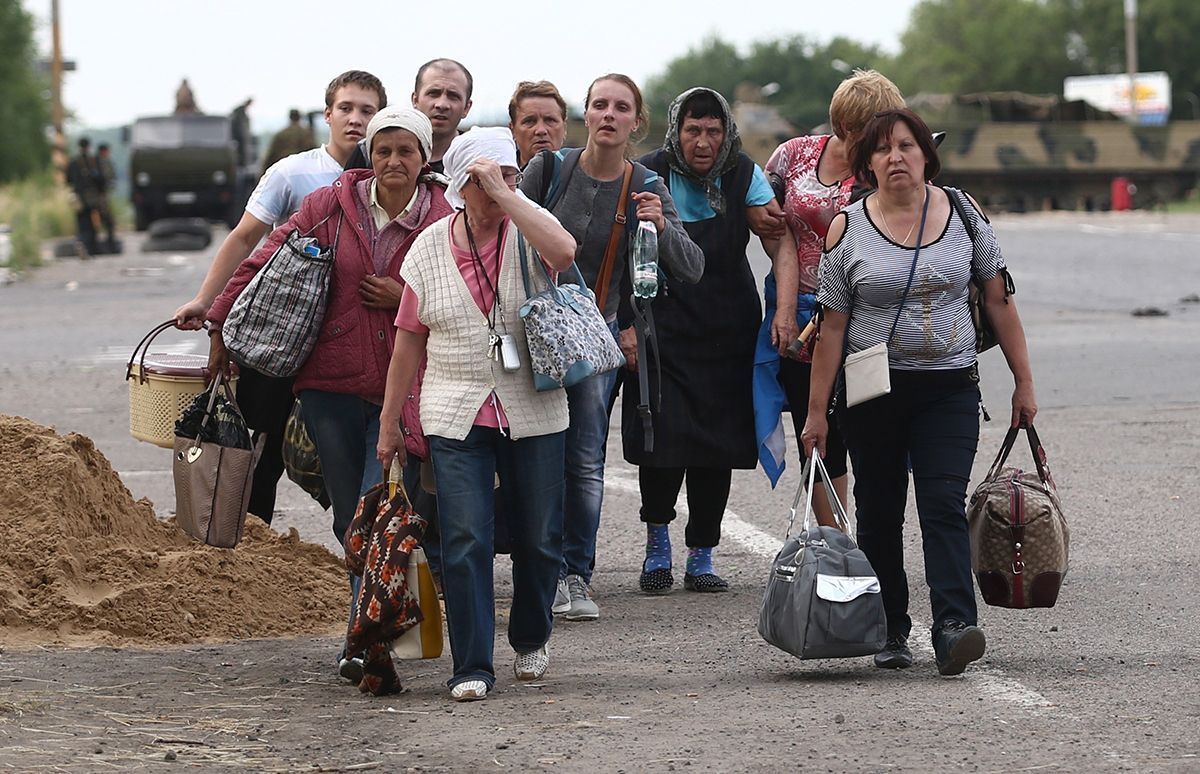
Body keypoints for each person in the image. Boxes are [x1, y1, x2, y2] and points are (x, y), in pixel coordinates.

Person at [206, 106, 451, 684]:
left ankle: (367, 646)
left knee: (378, 510)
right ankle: (371, 641)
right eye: (383, 150)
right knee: (351, 521)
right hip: (329, 388)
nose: (394, 161)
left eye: (406, 151)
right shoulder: (329, 208)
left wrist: (403, 298)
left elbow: (470, 297)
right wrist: (220, 323)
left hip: (405, 390)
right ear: (370, 154)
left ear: (424, 158)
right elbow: (260, 262)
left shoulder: (445, 218)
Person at [801, 108, 1037, 676]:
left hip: (949, 388)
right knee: (879, 511)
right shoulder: (847, 226)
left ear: (925, 155)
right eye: (882, 150)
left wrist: (1024, 383)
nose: (896, 157)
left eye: (907, 146)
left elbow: (999, 300)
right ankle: (890, 628)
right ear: (867, 163)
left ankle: (954, 624)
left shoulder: (964, 214)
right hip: (872, 391)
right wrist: (815, 415)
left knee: (941, 505)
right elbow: (832, 327)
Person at [376, 127, 577, 702]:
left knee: (541, 538)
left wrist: (511, 195)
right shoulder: (430, 246)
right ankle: (472, 664)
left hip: (533, 407)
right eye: (489, 179)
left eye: (510, 174)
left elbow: (564, 253)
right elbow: (408, 341)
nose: (502, 185)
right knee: (465, 538)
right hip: (454, 411)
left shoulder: (527, 227)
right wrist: (391, 423)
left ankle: (532, 632)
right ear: (462, 185)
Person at [519, 73, 704, 621]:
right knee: (532, 458)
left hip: (594, 345)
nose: (608, 115)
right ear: (587, 114)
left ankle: (575, 576)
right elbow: (506, 239)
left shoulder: (646, 182)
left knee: (583, 463)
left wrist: (661, 228)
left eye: (620, 108)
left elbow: (692, 267)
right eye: (598, 104)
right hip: (531, 336)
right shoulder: (548, 170)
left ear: (635, 122)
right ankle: (537, 570)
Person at [174, 70, 386, 526]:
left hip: (348, 343)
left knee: (347, 466)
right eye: (346, 108)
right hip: (281, 337)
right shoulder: (293, 172)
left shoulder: (391, 176)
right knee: (258, 457)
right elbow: (245, 238)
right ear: (327, 114)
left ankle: (361, 572)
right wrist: (206, 302)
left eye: (367, 111)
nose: (355, 119)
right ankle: (251, 558)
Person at [624, 87, 786, 593]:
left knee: (715, 446)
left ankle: (702, 553)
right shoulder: (648, 172)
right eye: (693, 129)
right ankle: (657, 546)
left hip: (727, 327)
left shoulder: (743, 173)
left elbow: (778, 237)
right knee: (661, 442)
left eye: (713, 130)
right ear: (677, 130)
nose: (703, 141)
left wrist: (784, 308)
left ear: (726, 134)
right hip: (662, 326)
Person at [756, 69, 906, 524]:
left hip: (865, 320)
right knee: (815, 430)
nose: (877, 139)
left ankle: (876, 538)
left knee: (872, 432)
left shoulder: (887, 173)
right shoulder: (792, 156)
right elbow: (769, 227)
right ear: (843, 125)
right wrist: (784, 306)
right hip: (798, 314)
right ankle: (836, 541)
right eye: (866, 129)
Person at [344, 59, 473, 174]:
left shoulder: (474, 157)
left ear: (467, 107)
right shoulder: (367, 151)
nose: (442, 104)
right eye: (433, 93)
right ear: (415, 100)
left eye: (453, 96)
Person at [508, 80, 567, 168]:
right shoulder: (497, 177)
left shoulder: (583, 176)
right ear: (512, 130)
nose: (541, 130)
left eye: (550, 120)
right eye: (529, 121)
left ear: (564, 128)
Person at [66, 138, 101, 255]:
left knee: (81, 222)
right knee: (93, 222)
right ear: (88, 146)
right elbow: (101, 179)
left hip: (78, 197)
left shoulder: (73, 161)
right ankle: (93, 249)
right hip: (93, 197)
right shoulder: (94, 160)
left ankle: (82, 244)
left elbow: (68, 180)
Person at [94, 143, 117, 252]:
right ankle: (103, 243)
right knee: (104, 219)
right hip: (99, 195)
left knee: (107, 219)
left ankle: (108, 241)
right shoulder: (98, 162)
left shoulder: (104, 162)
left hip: (103, 194)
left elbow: (112, 177)